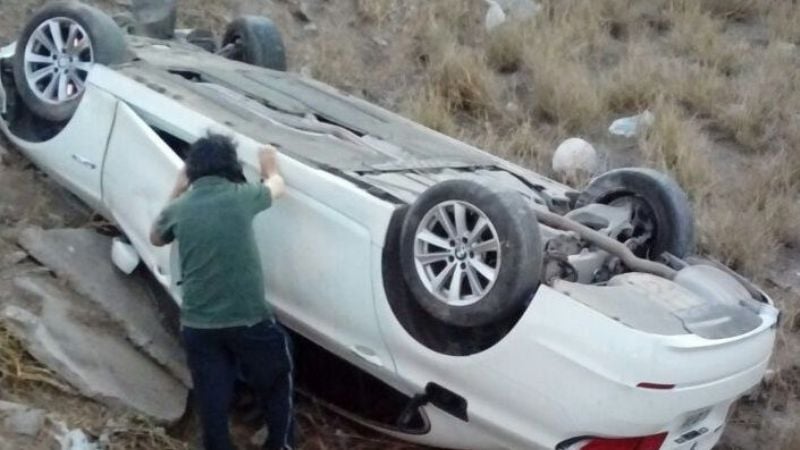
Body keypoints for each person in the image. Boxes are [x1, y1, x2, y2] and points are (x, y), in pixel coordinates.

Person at [150, 133, 293, 450]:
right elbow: (278, 187)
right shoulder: (241, 196)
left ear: (193, 171)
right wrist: (269, 163)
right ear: (231, 166)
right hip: (249, 322)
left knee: (212, 401)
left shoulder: (180, 208)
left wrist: (177, 187)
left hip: (199, 328)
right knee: (277, 378)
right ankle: (279, 444)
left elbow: (156, 238)